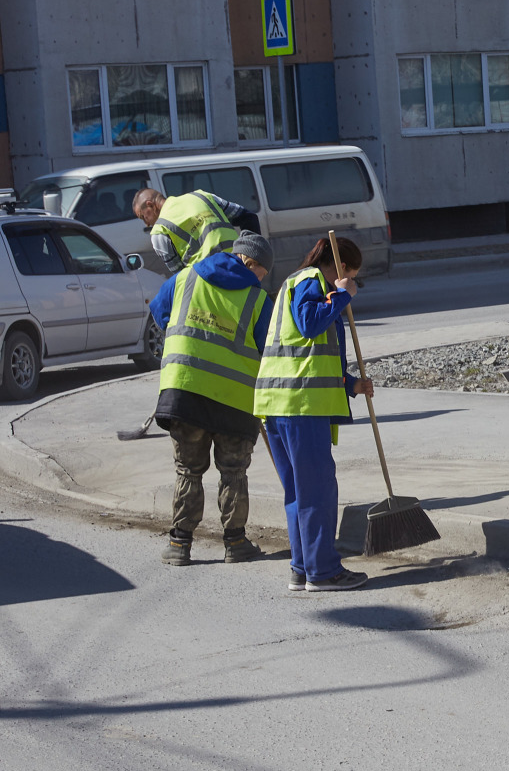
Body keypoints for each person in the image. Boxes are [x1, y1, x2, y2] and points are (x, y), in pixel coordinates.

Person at [254, 236, 375, 593]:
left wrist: (350, 384)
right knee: (317, 490)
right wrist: (342, 294)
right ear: (341, 267)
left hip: (279, 402)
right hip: (301, 406)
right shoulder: (311, 282)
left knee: (298, 492)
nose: (353, 279)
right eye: (351, 273)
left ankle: (302, 567)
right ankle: (323, 572)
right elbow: (309, 325)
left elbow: (308, 352)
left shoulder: (294, 283)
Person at [148, 230, 276, 566]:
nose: (261, 279)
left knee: (188, 471)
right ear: (251, 262)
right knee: (233, 472)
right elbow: (267, 349)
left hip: (185, 390)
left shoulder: (186, 277)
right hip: (233, 400)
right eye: (262, 272)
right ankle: (235, 542)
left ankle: (179, 545)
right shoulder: (258, 300)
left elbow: (160, 312)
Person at [132, 187, 261, 273]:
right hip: (241, 269)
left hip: (210, 282)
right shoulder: (202, 196)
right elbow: (248, 217)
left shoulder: (159, 232)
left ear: (150, 205)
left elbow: (181, 275)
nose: (147, 223)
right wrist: (253, 258)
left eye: (143, 216)